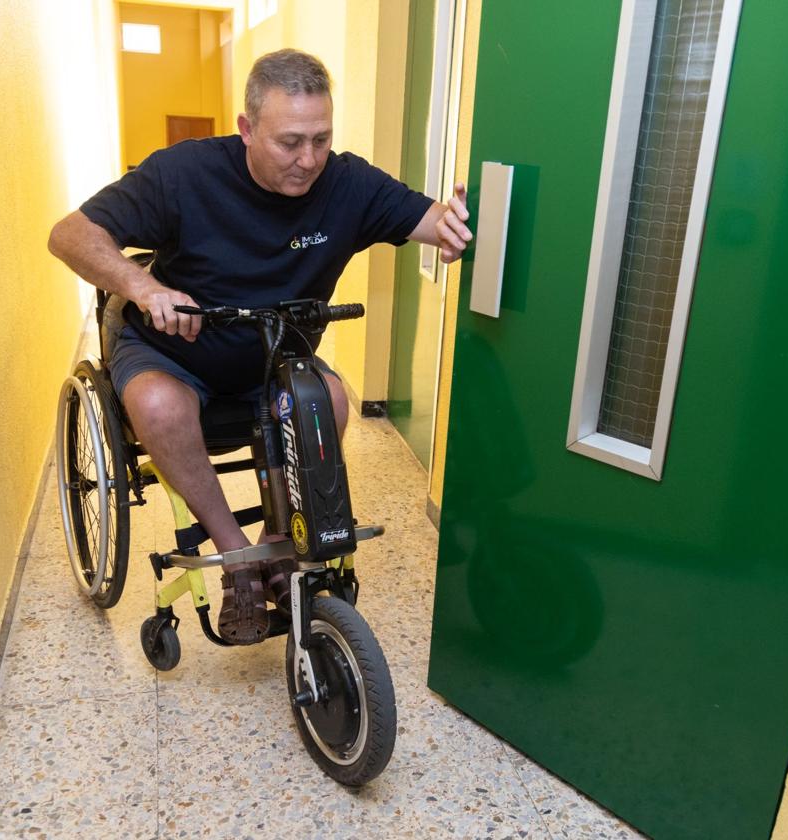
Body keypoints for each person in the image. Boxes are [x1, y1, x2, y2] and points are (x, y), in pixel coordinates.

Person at [48, 49, 472, 644]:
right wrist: (145, 287)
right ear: (247, 129)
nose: (308, 160)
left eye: (321, 139)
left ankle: (281, 545)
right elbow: (68, 235)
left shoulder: (346, 183)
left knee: (328, 396)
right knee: (160, 408)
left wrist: (452, 225)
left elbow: (427, 220)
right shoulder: (183, 174)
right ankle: (236, 556)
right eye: (290, 142)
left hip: (275, 357)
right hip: (175, 352)